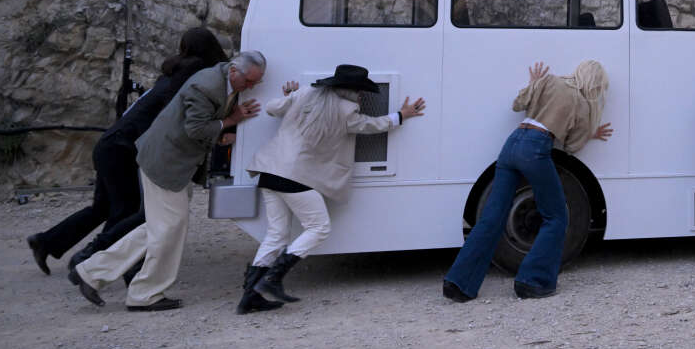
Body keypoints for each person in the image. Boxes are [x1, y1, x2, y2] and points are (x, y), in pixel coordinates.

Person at [70, 51, 265, 311]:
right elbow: (195, 128)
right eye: (249, 81)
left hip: (171, 163)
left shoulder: (219, 79)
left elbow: (195, 126)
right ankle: (143, 294)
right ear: (233, 71)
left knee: (158, 227)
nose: (251, 87)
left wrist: (220, 137)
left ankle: (92, 272)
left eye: (256, 83)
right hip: (165, 164)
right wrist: (232, 120)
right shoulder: (207, 86)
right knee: (169, 228)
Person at [27, 27, 228, 276]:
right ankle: (91, 262)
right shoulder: (196, 76)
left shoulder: (173, 70)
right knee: (127, 210)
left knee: (104, 207)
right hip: (123, 149)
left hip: (111, 142)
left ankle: (48, 242)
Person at [238, 64, 425, 313]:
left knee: (277, 234)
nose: (361, 96)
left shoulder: (304, 93)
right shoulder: (346, 109)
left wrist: (288, 98)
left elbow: (272, 109)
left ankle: (249, 296)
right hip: (295, 176)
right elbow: (372, 125)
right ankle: (272, 279)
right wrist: (402, 115)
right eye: (360, 91)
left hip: (269, 170)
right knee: (319, 227)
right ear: (351, 90)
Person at [443, 60, 611, 302]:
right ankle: (532, 281)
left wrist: (534, 85)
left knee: (491, 218)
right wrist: (589, 133)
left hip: (511, 143)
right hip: (535, 149)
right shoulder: (582, 103)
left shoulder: (549, 81)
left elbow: (518, 104)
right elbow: (571, 146)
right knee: (556, 216)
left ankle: (459, 283)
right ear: (595, 83)